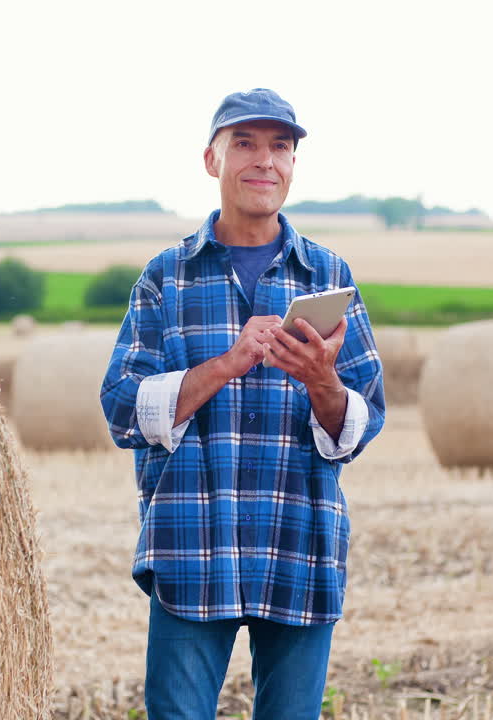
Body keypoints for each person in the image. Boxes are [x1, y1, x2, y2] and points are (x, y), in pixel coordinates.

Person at [99, 88, 386, 720]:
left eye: (280, 147)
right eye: (245, 144)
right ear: (212, 160)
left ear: (293, 164)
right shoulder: (165, 277)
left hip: (299, 543)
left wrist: (322, 382)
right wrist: (227, 364)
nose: (265, 161)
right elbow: (122, 409)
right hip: (192, 545)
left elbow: (364, 421)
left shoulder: (328, 278)